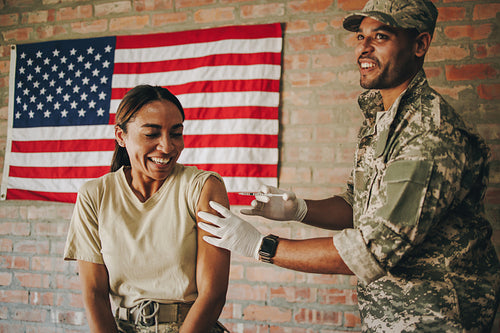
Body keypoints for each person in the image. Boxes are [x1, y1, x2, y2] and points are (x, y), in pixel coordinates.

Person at [197, 0, 500, 331]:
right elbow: (360, 206)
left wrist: (260, 246)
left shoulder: (428, 133)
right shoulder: (383, 117)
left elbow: (371, 251)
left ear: (420, 44)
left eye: (380, 37)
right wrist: (299, 210)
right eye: (361, 37)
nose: (364, 50)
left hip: (435, 319)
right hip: (393, 317)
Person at [64, 85, 231, 333]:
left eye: (176, 133)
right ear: (121, 136)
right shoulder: (95, 195)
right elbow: (94, 293)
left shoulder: (203, 187)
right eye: (151, 134)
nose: (167, 146)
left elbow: (213, 294)